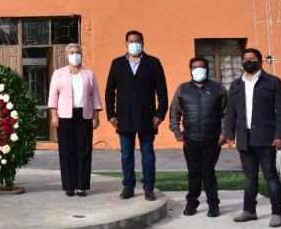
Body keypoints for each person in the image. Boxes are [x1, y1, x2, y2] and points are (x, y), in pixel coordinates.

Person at [224, 48, 281, 227]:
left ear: (259, 62)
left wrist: (280, 134)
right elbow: (230, 113)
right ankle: (249, 210)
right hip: (244, 137)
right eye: (245, 59)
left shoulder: (273, 82)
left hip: (266, 137)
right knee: (249, 176)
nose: (248, 61)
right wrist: (229, 134)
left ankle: (277, 213)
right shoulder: (236, 84)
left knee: (270, 176)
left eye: (252, 59)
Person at [105, 30, 168, 201]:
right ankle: (128, 187)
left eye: (137, 41)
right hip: (124, 117)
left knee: (147, 153)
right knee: (126, 154)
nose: (134, 44)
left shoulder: (153, 63)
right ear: (125, 43)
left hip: (148, 117)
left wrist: (160, 114)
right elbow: (110, 91)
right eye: (131, 41)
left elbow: (162, 92)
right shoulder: (117, 63)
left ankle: (149, 188)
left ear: (143, 43)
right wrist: (111, 114)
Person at [169, 56, 227, 217]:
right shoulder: (182, 89)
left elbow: (227, 113)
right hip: (191, 139)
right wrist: (177, 132)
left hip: (212, 139)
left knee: (208, 172)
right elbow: (174, 111)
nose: (198, 69)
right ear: (190, 70)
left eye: (201, 66)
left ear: (207, 69)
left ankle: (213, 204)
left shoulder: (219, 89)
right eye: (194, 67)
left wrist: (224, 134)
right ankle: (191, 203)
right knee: (194, 172)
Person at [48, 43, 102, 197]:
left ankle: (81, 186)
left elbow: (95, 96)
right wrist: (54, 115)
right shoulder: (58, 74)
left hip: (84, 115)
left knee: (84, 151)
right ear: (66, 56)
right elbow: (53, 96)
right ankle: (69, 186)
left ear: (81, 55)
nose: (75, 55)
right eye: (71, 52)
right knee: (66, 151)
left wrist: (96, 116)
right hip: (65, 116)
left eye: (77, 52)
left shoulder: (89, 74)